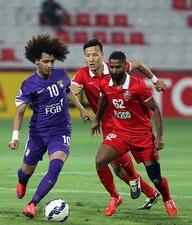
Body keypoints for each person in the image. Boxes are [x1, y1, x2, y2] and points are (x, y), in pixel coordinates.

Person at [71, 39, 167, 215]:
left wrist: (154, 80)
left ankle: (124, 190)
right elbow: (72, 88)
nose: (91, 59)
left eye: (94, 55)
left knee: (114, 162)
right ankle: (149, 192)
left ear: (102, 55)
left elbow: (137, 64)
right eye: (87, 56)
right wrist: (82, 108)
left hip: (125, 123)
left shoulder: (115, 68)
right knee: (116, 167)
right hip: (107, 124)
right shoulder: (83, 74)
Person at [8, 34, 91, 218]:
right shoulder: (29, 84)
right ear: (36, 60)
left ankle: (32, 204)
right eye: (45, 61)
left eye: (52, 61)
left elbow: (67, 91)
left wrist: (81, 109)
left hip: (61, 130)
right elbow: (20, 111)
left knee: (56, 165)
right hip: (38, 133)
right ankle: (22, 181)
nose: (49, 65)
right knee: (26, 171)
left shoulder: (60, 75)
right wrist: (15, 137)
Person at [91, 51, 177, 216]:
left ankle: (167, 198)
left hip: (142, 136)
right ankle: (115, 197)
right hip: (120, 133)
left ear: (125, 67)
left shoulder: (137, 86)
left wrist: (159, 137)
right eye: (112, 67)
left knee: (156, 179)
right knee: (100, 161)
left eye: (118, 67)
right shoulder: (105, 82)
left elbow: (156, 109)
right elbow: (103, 100)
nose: (114, 70)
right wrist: (97, 120)